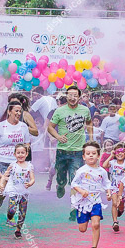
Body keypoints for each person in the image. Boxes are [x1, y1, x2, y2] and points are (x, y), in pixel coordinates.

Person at [48, 85, 92, 219]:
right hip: (62, 150)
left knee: (75, 180)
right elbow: (50, 127)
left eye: (75, 95)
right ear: (66, 96)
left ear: (79, 97)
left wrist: (90, 140)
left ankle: (74, 208)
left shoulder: (85, 110)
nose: (72, 98)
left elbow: (89, 124)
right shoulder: (59, 111)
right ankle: (60, 185)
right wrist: (58, 137)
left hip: (78, 152)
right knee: (62, 179)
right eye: (70, 95)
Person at [71, 141, 110, 248]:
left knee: (96, 224)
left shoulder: (102, 171)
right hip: (83, 202)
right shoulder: (81, 170)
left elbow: (106, 183)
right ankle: (85, 218)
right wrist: (81, 191)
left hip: (95, 201)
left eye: (94, 153)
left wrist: (108, 193)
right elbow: (74, 184)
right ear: (84, 156)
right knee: (82, 229)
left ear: (98, 155)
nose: (91, 155)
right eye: (88, 153)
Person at [0, 143, 35, 237]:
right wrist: (2, 185)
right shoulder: (12, 165)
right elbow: (5, 176)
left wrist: (30, 183)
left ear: (26, 154)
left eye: (23, 152)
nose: (20, 155)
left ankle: (18, 230)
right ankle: (10, 215)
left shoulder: (29, 166)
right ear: (14, 154)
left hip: (23, 192)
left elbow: (32, 178)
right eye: (18, 153)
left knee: (23, 213)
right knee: (12, 209)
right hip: (13, 191)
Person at [102, 141, 125, 233]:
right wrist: (111, 155)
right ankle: (115, 222)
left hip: (124, 187)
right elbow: (104, 165)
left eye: (122, 152)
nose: (119, 154)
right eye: (117, 152)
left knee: (120, 205)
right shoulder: (113, 162)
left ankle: (121, 210)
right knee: (115, 203)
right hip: (114, 186)